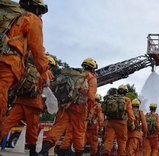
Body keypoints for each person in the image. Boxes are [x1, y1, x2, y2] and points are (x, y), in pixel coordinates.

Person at [0, 0, 49, 135]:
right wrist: (44, 73)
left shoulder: (8, 15)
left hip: (18, 100)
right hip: (7, 62)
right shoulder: (31, 18)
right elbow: (37, 49)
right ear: (37, 9)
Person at [38, 57, 97, 156]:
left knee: (58, 128)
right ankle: (78, 153)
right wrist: (89, 112)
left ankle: (44, 150)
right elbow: (91, 97)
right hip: (80, 108)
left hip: (65, 105)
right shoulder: (91, 78)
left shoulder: (74, 74)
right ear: (93, 68)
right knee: (79, 132)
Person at [0, 55, 55, 156]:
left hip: (19, 101)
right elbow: (46, 92)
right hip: (34, 104)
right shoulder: (47, 73)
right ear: (49, 65)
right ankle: (33, 153)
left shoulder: (28, 68)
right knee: (32, 129)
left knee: (7, 123)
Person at [101, 84, 135, 156]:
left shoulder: (111, 98)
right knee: (122, 140)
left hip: (110, 122)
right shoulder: (126, 99)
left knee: (108, 139)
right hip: (121, 123)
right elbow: (130, 112)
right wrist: (132, 122)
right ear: (126, 91)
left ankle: (105, 153)